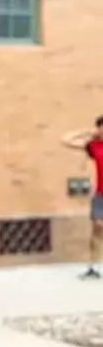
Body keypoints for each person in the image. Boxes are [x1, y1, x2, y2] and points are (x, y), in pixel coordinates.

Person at [61, 115, 103, 277]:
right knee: (97, 229)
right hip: (100, 195)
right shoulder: (94, 146)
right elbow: (66, 140)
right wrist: (87, 132)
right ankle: (93, 267)